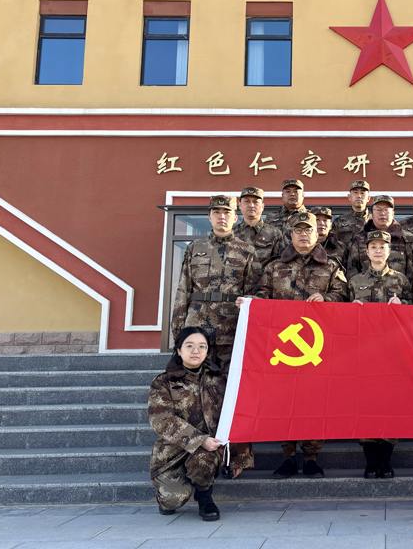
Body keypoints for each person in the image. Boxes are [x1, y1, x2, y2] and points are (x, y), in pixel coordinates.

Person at [254, 211, 348, 479]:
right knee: (284, 401)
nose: (304, 234)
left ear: (317, 234)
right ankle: (288, 456)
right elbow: (261, 296)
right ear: (291, 234)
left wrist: (327, 298)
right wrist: (251, 304)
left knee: (315, 401)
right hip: (282, 348)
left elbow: (344, 295)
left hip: (319, 345)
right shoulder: (274, 267)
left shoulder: (332, 266)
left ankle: (311, 457)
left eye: (309, 230)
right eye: (299, 230)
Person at [149, 327, 252, 520]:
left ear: (207, 351)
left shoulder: (221, 379)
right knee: (172, 500)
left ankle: (205, 497)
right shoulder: (164, 382)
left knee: (203, 457)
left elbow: (236, 416)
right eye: (189, 346)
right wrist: (199, 439)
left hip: (209, 450)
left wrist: (239, 457)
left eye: (202, 346)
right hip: (173, 452)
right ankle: (180, 484)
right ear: (179, 350)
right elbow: (162, 420)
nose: (196, 351)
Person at [348, 230, 412, 479]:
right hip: (363, 353)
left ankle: (386, 461)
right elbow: (339, 314)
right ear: (366, 252)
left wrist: (403, 306)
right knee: (364, 403)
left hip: (393, 352)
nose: (377, 250)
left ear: (389, 251)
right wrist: (350, 309)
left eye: (382, 247)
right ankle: (370, 461)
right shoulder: (354, 281)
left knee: (390, 403)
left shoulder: (401, 280)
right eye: (373, 247)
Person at [171, 195, 257, 374]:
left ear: (235, 218)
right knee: (195, 377)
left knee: (229, 379)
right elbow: (183, 289)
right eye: (216, 212)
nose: (221, 216)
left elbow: (252, 292)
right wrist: (178, 329)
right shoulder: (195, 247)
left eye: (227, 212)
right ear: (209, 217)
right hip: (197, 325)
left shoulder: (246, 250)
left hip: (231, 327)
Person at [348, 195, 413, 282]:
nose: (382, 213)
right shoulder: (360, 238)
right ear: (372, 214)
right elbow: (352, 272)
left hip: (399, 288)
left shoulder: (408, 238)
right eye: (378, 210)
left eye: (386, 210)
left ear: (393, 214)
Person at [232, 186, 284, 287]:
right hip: (235, 288)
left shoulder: (274, 234)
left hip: (263, 288)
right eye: (247, 201)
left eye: (256, 202)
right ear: (240, 205)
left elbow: (279, 266)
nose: (251, 205)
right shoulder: (232, 233)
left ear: (263, 206)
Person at [329, 180, 372, 247]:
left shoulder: (374, 221)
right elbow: (332, 245)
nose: (359, 196)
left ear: (368, 198)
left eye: (362, 193)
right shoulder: (339, 221)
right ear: (349, 197)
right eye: (355, 192)